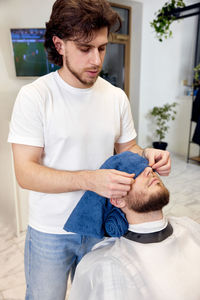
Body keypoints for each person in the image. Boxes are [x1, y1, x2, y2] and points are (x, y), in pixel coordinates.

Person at [8, 0, 171, 299]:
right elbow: (26, 173)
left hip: (103, 228)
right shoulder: (35, 97)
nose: (96, 59)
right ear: (59, 44)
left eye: (102, 48)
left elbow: (128, 148)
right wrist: (90, 180)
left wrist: (147, 154)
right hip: (50, 232)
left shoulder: (115, 97)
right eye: (85, 48)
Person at [68, 156, 200, 300]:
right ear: (118, 200)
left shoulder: (190, 227)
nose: (150, 170)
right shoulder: (106, 266)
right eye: (135, 173)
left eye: (148, 167)